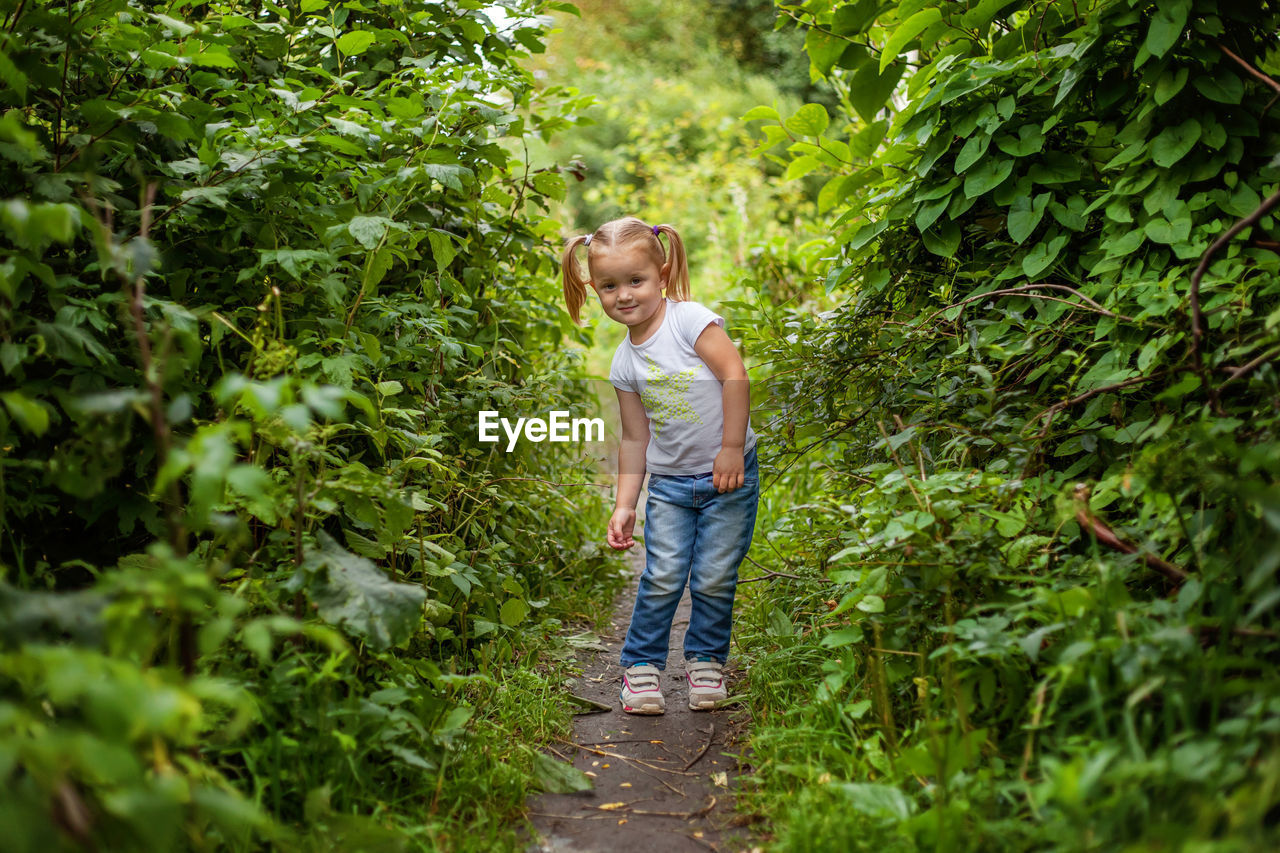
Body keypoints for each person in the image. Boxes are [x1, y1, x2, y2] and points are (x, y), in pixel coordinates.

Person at [561, 216, 759, 715]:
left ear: (663, 274)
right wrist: (625, 504)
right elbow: (634, 436)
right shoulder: (625, 363)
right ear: (594, 290)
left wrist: (731, 447)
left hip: (727, 475)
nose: (624, 295)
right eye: (609, 286)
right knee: (665, 574)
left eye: (636, 281)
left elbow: (734, 374)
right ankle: (642, 668)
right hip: (669, 486)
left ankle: (706, 661)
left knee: (714, 575)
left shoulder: (690, 321)